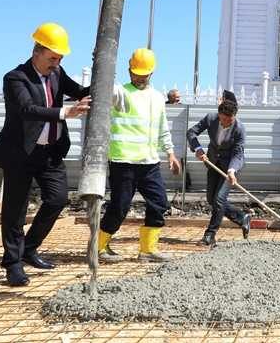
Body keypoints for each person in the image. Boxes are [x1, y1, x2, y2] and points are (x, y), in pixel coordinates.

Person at [0, 23, 91, 287]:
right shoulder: (15, 78)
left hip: (51, 153)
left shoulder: (58, 73)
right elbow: (26, 109)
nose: (56, 63)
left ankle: (29, 248)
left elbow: (79, 91)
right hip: (21, 153)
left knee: (57, 200)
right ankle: (13, 264)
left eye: (60, 59)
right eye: (52, 58)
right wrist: (64, 112)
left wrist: (103, 82)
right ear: (37, 51)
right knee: (15, 211)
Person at [97, 49, 181, 264]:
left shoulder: (157, 98)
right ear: (129, 70)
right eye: (135, 73)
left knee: (160, 203)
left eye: (143, 74)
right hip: (123, 162)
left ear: (151, 73)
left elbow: (162, 129)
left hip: (149, 163)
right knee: (120, 206)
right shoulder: (121, 93)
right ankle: (99, 247)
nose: (139, 77)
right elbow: (104, 88)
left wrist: (170, 153)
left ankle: (148, 249)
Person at [187, 98, 251, 247]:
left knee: (219, 199)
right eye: (223, 120)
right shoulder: (211, 119)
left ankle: (210, 235)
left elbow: (238, 154)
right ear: (219, 114)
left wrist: (231, 170)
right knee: (211, 199)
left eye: (229, 121)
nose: (225, 123)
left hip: (230, 167)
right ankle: (242, 217)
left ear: (234, 116)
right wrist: (198, 149)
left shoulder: (240, 129)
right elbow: (191, 133)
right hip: (212, 163)